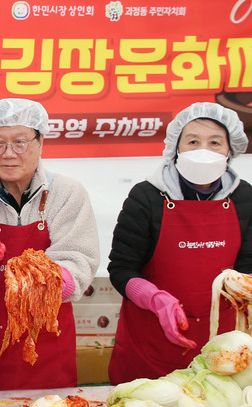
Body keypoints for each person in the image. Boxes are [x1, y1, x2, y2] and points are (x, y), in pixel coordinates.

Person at [0, 98, 100, 391]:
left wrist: (43, 281)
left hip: (48, 347)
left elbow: (79, 260)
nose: (9, 153)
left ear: (40, 142)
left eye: (20, 142)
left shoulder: (67, 193)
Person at [108, 102, 252, 384]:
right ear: (177, 147)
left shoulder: (244, 197)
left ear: (230, 150)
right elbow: (122, 269)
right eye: (193, 141)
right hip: (150, 346)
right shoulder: (147, 197)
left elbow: (247, 265)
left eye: (215, 142)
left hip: (222, 349)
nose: (203, 151)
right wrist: (154, 299)